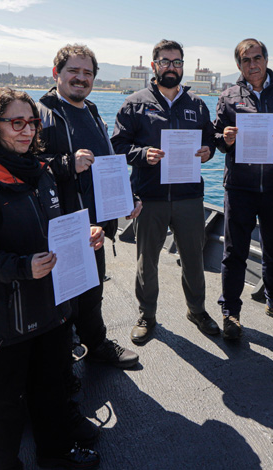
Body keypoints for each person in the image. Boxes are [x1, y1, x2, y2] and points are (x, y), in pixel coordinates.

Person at [0, 88, 100, 470]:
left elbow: (49, 229)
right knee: (5, 404)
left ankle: (56, 453)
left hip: (52, 307)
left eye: (32, 122)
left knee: (51, 387)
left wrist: (82, 239)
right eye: (16, 123)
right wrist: (21, 267)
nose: (27, 131)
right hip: (6, 320)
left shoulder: (41, 173)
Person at [38, 44, 141, 369]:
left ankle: (95, 343)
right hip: (60, 224)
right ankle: (61, 355)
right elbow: (27, 166)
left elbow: (108, 164)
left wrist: (127, 197)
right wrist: (67, 163)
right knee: (62, 295)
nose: (80, 79)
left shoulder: (93, 112)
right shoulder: (41, 114)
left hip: (93, 224)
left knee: (92, 288)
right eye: (73, 71)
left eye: (87, 73)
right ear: (57, 73)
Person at [111, 39, 219, 345]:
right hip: (150, 197)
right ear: (153, 66)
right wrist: (143, 154)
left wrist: (209, 150)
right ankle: (147, 314)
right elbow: (117, 145)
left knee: (193, 258)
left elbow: (210, 138)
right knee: (147, 260)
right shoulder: (134, 103)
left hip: (188, 196)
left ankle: (197, 310)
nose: (171, 67)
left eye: (177, 62)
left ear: (183, 67)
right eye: (165, 62)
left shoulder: (196, 104)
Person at [214, 39, 273, 340]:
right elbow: (216, 137)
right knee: (234, 252)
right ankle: (230, 312)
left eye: (257, 58)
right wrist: (225, 138)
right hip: (240, 187)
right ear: (239, 65)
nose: (252, 65)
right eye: (246, 60)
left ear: (266, 59)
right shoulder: (229, 97)